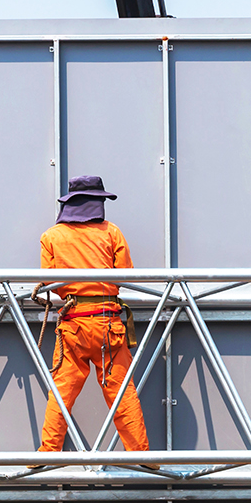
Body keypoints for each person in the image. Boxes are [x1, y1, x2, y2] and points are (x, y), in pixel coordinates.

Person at [34, 175, 152, 453]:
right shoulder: (112, 233)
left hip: (73, 325)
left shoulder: (52, 236)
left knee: (61, 394)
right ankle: (141, 455)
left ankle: (47, 453)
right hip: (108, 323)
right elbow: (123, 276)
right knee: (121, 391)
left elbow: (48, 282)